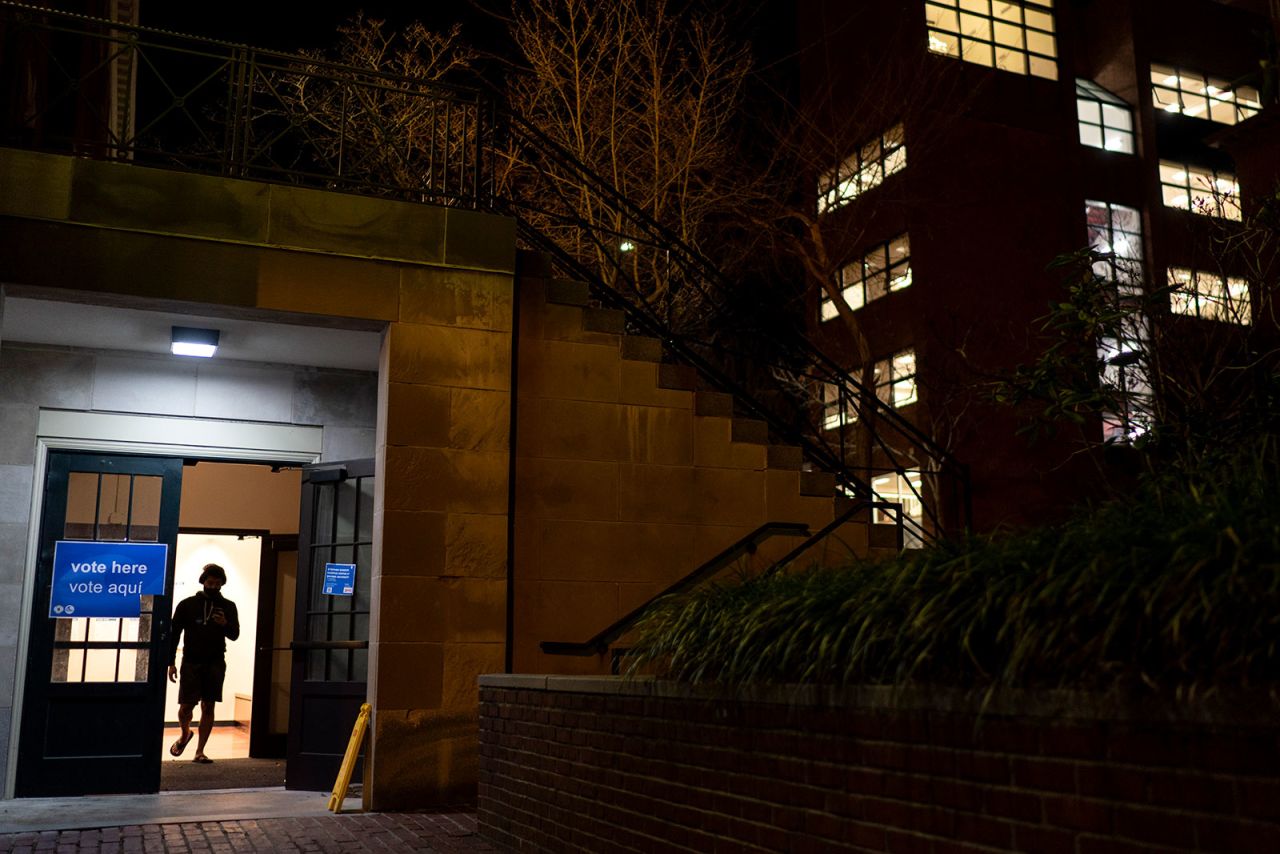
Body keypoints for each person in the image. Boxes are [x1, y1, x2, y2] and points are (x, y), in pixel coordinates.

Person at [167, 563, 240, 764]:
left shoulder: (229, 606)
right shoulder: (187, 604)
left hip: (215, 661)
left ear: (222, 584)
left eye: (217, 584)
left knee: (209, 705)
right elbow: (174, 634)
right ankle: (184, 735)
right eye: (210, 582)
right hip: (191, 660)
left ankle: (200, 751)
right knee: (186, 707)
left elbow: (235, 634)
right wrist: (170, 661)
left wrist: (224, 623)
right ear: (203, 582)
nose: (213, 587)